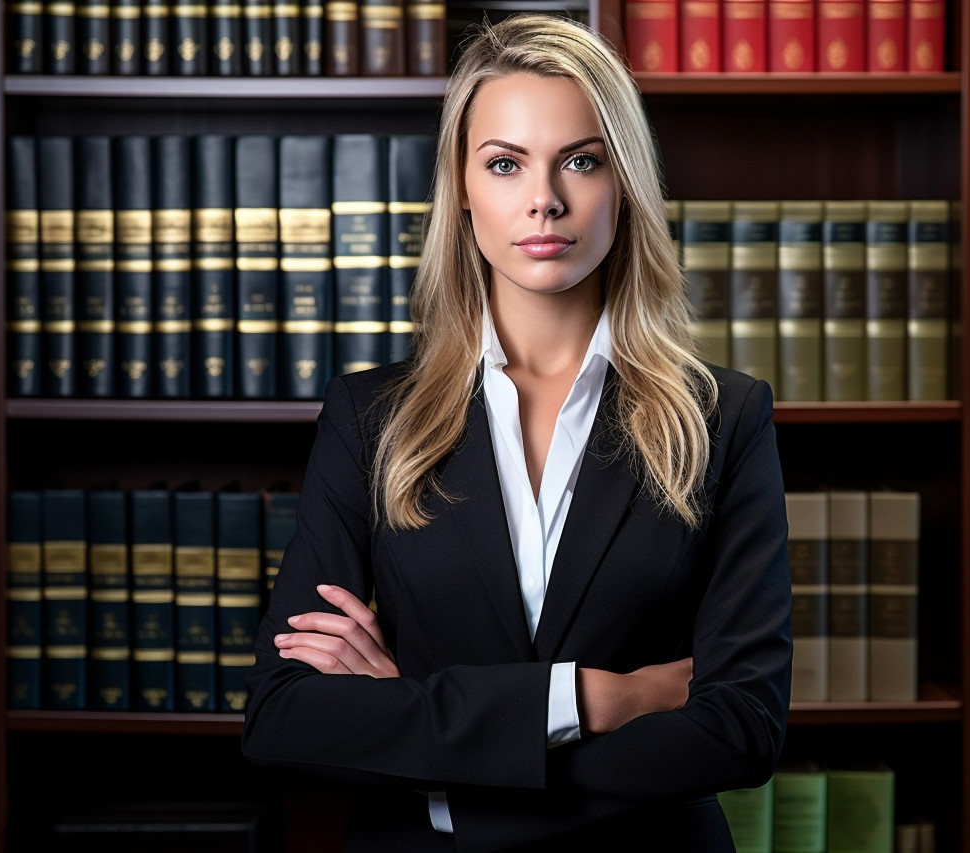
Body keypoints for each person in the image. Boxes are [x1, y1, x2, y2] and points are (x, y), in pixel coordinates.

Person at [241, 13, 792, 852]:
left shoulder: (723, 416)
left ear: (625, 180)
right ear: (462, 188)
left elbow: (744, 723)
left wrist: (435, 749)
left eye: (581, 160)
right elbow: (285, 716)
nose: (546, 198)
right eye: (505, 163)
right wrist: (590, 701)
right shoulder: (370, 418)